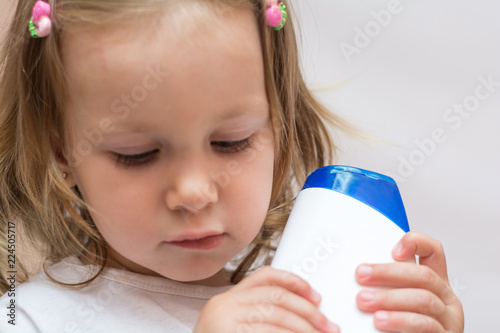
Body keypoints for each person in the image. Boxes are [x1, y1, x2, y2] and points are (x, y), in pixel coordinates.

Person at [0, 0, 464, 332]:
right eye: (137, 153)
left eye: (230, 142)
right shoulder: (29, 318)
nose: (195, 191)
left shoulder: (311, 296)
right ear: (63, 154)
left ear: (281, 125)